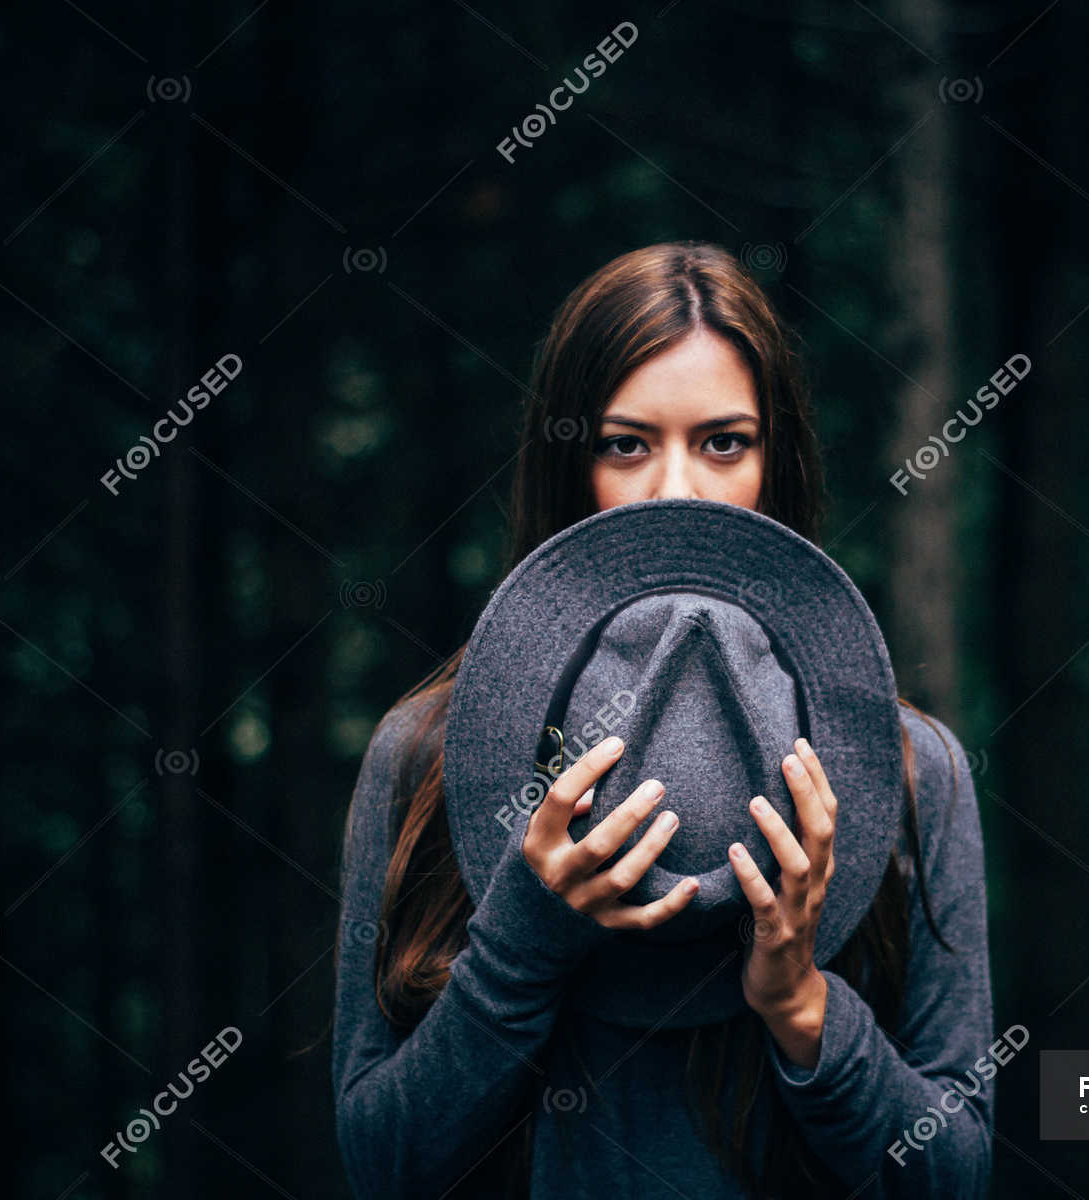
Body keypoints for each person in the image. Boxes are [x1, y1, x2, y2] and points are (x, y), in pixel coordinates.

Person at [332, 241, 993, 1197]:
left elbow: (956, 1174)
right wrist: (523, 942)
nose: (675, 490)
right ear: (570, 464)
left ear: (780, 462)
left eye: (724, 442)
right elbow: (379, 1164)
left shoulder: (913, 770)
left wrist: (803, 1006)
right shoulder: (423, 760)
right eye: (625, 444)